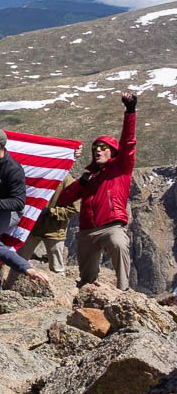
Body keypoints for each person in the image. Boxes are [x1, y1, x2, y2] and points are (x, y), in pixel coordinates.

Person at [58, 92, 137, 289]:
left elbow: (128, 142)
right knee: (86, 279)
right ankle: (87, 299)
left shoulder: (121, 169)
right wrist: (80, 184)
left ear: (113, 151)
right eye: (95, 149)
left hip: (111, 226)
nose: (98, 151)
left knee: (118, 243)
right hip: (87, 231)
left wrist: (130, 111)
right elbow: (64, 199)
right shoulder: (89, 176)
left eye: (103, 148)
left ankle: (124, 290)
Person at [5, 175, 77, 288]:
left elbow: (74, 209)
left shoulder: (67, 180)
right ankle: (8, 288)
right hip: (33, 228)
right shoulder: (42, 174)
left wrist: (50, 212)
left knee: (57, 268)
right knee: (19, 262)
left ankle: (61, 292)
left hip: (54, 232)